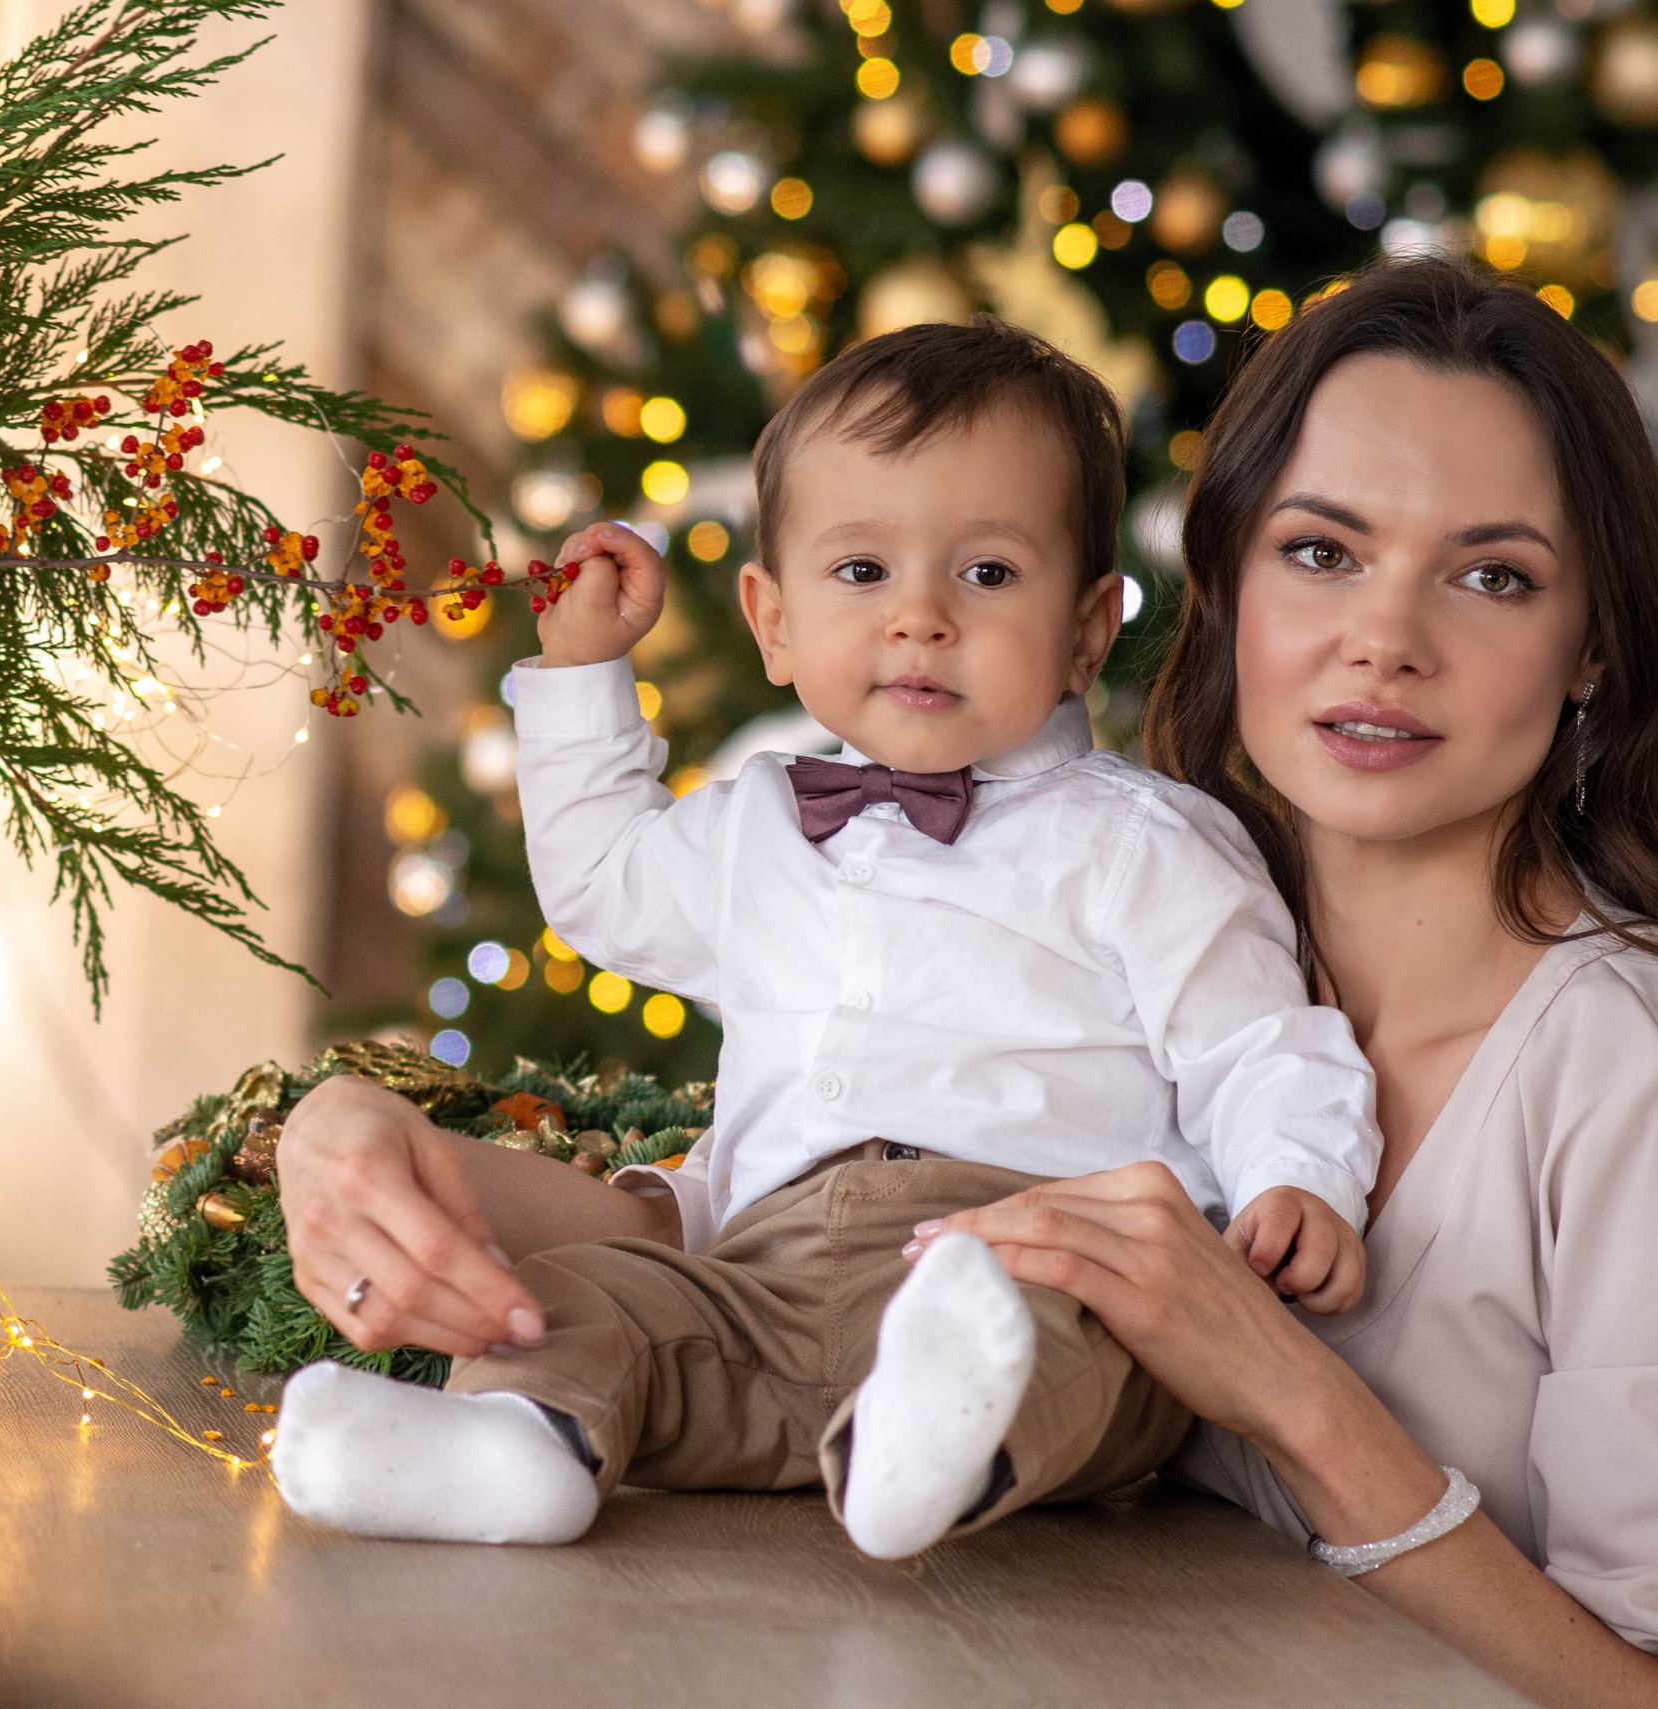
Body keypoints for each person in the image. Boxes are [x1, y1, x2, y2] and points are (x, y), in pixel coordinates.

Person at [909, 260, 1658, 1709]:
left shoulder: (1656, 1081)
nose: (1386, 639)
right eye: (1323, 551)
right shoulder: (1115, 942)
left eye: (1492, 576)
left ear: (1595, 654)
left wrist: (1295, 1393)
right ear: (1231, 578)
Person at [268, 319, 1380, 1560]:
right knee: (587, 1297)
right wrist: (581, 674)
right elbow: (602, 887)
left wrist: (1301, 1178)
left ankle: (931, 1444)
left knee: (1058, 1327)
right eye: (861, 573)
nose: (919, 619)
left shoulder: (1146, 843)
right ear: (771, 618)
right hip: (763, 1273)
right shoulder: (757, 820)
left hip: (1032, 1243)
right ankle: (521, 1446)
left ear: (1086, 628)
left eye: (989, 574)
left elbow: (1261, 1042)